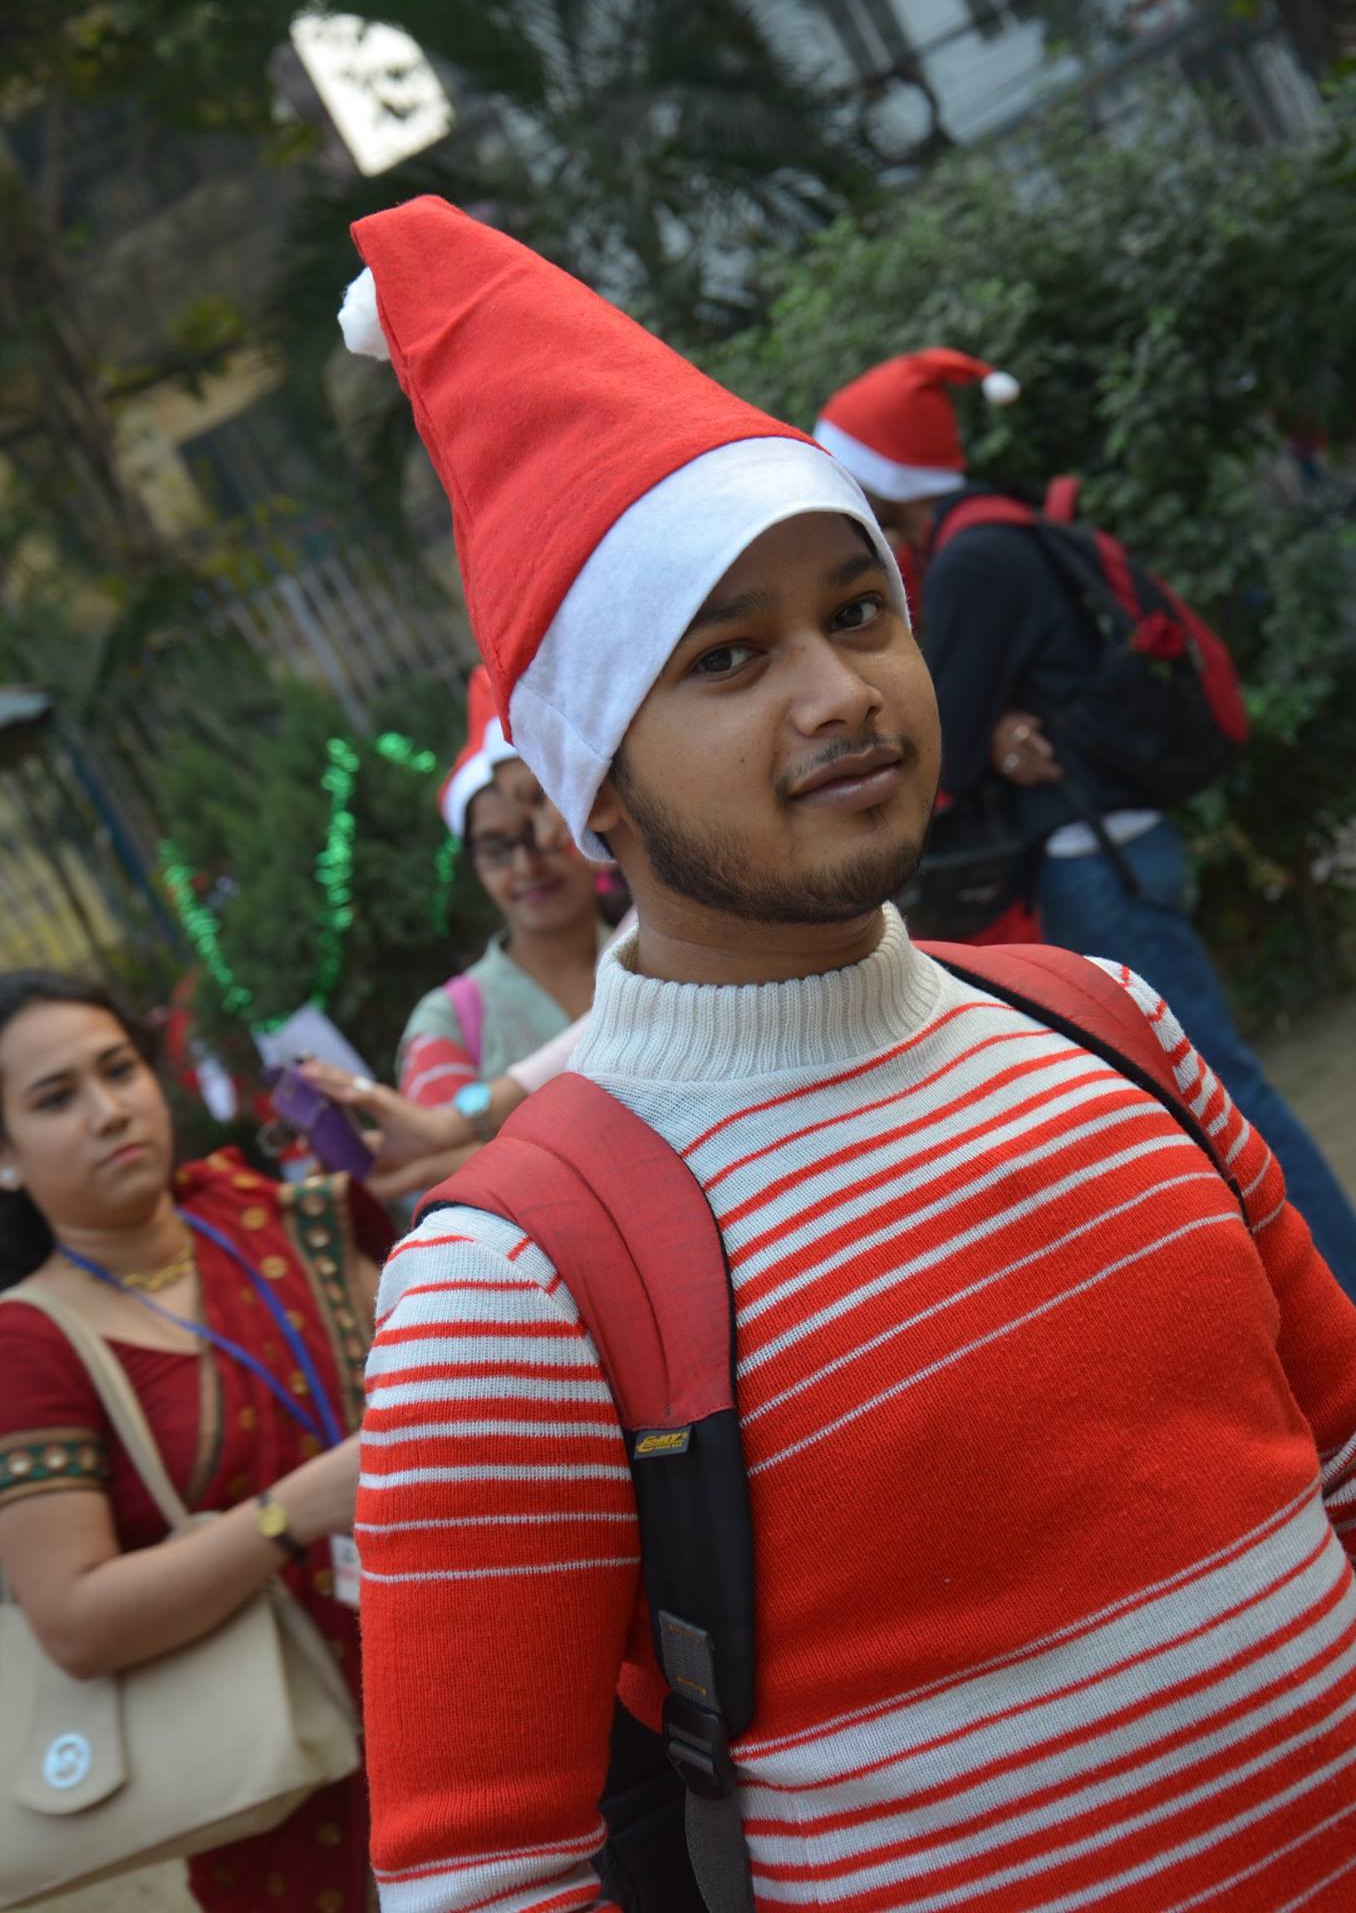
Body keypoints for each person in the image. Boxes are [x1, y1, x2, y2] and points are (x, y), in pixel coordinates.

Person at [341, 199, 1356, 1911]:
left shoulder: (1110, 1023)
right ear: (590, 787)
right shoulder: (509, 1285)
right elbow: (482, 1881)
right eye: (730, 654)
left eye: (861, 611)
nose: (839, 692)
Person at [816, 347, 1356, 1295]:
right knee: (1205, 1096)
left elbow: (944, 736)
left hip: (1094, 859)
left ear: (883, 473)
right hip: (1115, 847)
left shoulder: (975, 559)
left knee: (1222, 1095)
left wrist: (982, 737)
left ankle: (1342, 1289)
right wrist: (999, 732)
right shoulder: (995, 531)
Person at [0, 968, 390, 1913]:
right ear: (5, 1157)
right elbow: (75, 1622)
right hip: (279, 1779)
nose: (108, 1112)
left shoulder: (267, 1214)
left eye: (118, 1070)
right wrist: (292, 1513)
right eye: (55, 1099)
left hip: (457, 1664)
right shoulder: (30, 1341)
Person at [396, 666, 608, 1113]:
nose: (527, 866)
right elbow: (447, 1157)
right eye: (496, 849)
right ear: (474, 864)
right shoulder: (447, 1026)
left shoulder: (670, 953)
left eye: (539, 830)